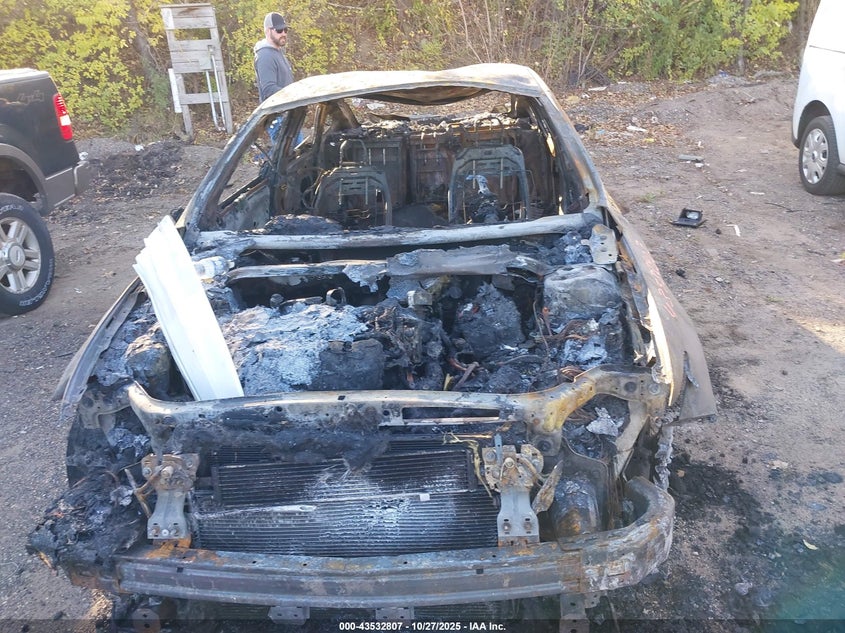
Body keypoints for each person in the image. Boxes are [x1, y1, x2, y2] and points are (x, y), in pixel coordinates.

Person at [254, 12, 294, 141]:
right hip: (277, 119)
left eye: (285, 30)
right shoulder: (265, 56)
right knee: (287, 154)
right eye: (279, 30)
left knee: (297, 152)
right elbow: (269, 89)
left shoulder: (277, 52)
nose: (283, 33)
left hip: (288, 117)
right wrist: (294, 95)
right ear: (267, 31)